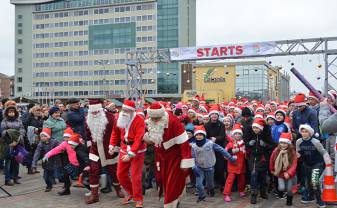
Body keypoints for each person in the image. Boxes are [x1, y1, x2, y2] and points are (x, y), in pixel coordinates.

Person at [143, 102, 194, 207]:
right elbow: (151, 137)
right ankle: (175, 199)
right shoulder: (150, 121)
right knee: (161, 181)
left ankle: (170, 204)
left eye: (157, 118)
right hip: (160, 157)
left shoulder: (173, 122)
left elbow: (184, 143)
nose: (154, 120)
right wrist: (148, 139)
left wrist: (186, 160)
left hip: (174, 157)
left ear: (161, 115)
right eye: (152, 118)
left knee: (172, 182)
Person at [84, 100, 124, 204]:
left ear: (100, 110)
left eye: (96, 112)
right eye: (92, 112)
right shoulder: (88, 118)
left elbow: (117, 133)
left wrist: (116, 147)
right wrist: (89, 148)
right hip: (94, 150)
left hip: (109, 150)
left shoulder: (110, 118)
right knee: (93, 170)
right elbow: (87, 135)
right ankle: (94, 195)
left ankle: (118, 190)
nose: (94, 114)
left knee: (113, 171)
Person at [109, 100, 146, 208]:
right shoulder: (119, 117)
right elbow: (115, 133)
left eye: (126, 110)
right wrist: (111, 145)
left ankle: (139, 199)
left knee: (135, 176)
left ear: (131, 111)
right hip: (123, 148)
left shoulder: (139, 120)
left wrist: (131, 153)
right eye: (123, 110)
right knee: (120, 175)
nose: (123, 112)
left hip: (137, 151)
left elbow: (139, 139)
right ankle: (132, 193)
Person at [191, 125, 236, 203]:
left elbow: (222, 150)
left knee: (210, 184)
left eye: (200, 135)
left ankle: (211, 189)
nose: (199, 136)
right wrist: (193, 167)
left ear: (204, 135)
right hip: (199, 168)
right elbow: (192, 157)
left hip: (209, 167)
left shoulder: (210, 143)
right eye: (197, 135)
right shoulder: (194, 146)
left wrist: (230, 158)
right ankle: (202, 196)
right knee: (198, 185)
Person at [296, 124, 331, 207]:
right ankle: (310, 197)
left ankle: (320, 200)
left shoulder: (315, 142)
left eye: (306, 132)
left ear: (310, 133)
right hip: (306, 164)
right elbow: (298, 152)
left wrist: (328, 163)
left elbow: (323, 152)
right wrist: (298, 156)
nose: (304, 133)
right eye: (302, 131)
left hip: (317, 164)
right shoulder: (299, 141)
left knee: (314, 182)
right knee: (308, 182)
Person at [246, 118, 274, 204]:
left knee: (262, 175)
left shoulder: (266, 134)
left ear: (261, 128)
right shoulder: (250, 133)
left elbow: (272, 145)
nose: (255, 129)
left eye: (257, 128)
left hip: (263, 158)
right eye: (254, 128)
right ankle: (253, 194)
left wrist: (265, 144)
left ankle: (263, 192)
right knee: (254, 174)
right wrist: (248, 144)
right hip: (253, 157)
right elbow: (245, 142)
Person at [269, 133, 297, 206]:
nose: (283, 145)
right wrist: (272, 170)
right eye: (281, 143)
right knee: (281, 188)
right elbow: (272, 160)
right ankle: (281, 193)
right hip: (280, 173)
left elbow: (294, 164)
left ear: (288, 143)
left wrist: (289, 173)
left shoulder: (292, 152)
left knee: (289, 189)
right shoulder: (276, 151)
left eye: (285, 143)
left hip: (290, 174)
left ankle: (289, 200)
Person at [1, 105, 26, 186]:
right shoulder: (4, 121)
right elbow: (3, 132)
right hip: (8, 143)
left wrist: (18, 138)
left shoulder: (19, 120)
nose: (11, 113)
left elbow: (22, 130)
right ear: (7, 113)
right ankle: (8, 179)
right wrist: (11, 140)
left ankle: (15, 177)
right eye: (10, 111)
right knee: (8, 161)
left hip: (18, 143)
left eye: (13, 111)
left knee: (17, 161)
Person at [223, 124, 246, 202]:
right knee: (230, 180)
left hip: (241, 164)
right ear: (233, 135)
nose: (237, 135)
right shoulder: (230, 143)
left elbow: (246, 154)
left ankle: (241, 190)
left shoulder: (243, 143)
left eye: (239, 134)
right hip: (232, 165)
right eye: (236, 133)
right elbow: (225, 153)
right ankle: (226, 194)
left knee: (242, 179)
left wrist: (243, 151)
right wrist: (231, 152)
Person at [23, 105, 43, 174]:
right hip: (29, 138)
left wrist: (40, 129)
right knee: (30, 153)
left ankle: (34, 167)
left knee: (36, 153)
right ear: (33, 111)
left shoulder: (40, 118)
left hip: (38, 137)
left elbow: (42, 126)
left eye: (39, 110)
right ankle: (30, 168)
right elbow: (25, 124)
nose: (38, 112)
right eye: (36, 110)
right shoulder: (29, 118)